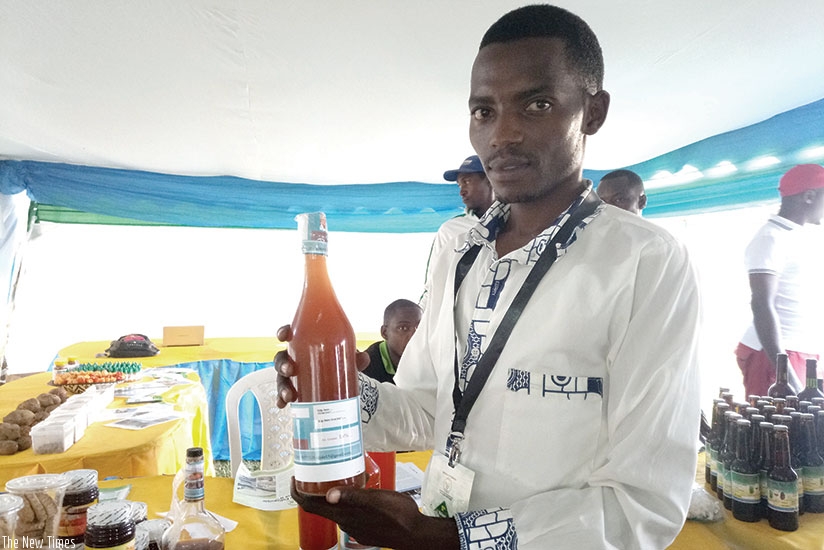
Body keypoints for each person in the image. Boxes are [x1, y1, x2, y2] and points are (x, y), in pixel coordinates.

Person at [276, 5, 701, 549]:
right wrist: (335, 388)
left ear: (593, 112)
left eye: (537, 104)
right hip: (436, 514)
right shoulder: (460, 251)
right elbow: (429, 408)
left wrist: (455, 539)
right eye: (484, 111)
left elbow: (643, 505)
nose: (504, 134)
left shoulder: (645, 261)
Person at [735, 163, 824, 397]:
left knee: (806, 431)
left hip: (802, 351)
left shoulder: (798, 236)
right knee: (776, 430)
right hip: (775, 354)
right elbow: (762, 304)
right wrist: (785, 373)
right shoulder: (770, 238)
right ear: (809, 196)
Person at [420, 155, 495, 308]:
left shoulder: (517, 223)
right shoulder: (451, 230)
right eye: (460, 185)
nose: (462, 191)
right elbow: (434, 284)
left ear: (490, 181)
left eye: (467, 182)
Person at [362, 299, 422, 384]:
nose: (415, 335)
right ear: (384, 333)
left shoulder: (429, 359)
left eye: (420, 328)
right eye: (403, 328)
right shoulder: (367, 369)